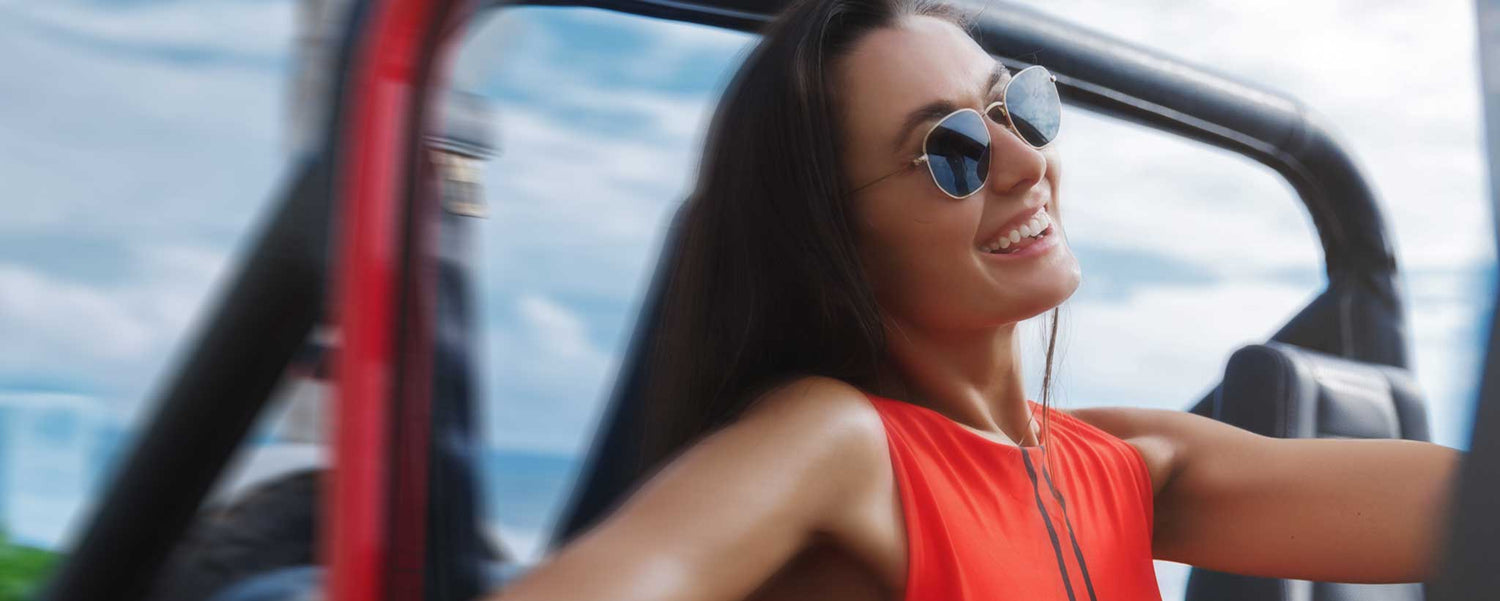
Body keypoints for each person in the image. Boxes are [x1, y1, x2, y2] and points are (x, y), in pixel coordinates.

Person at [484, 0, 1463, 598]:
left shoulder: (1129, 467)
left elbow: (1469, 510)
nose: (1025, 161)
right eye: (947, 151)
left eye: (1017, 106)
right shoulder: (834, 445)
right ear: (835, 242)